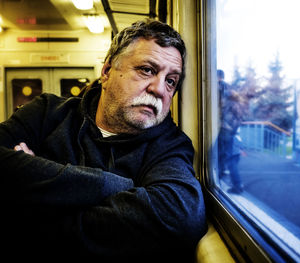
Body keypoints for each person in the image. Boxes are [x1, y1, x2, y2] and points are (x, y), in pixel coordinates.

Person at [0, 20, 207, 262]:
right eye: (147, 70)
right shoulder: (47, 112)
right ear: (107, 72)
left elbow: (181, 216)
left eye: (171, 81)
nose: (160, 90)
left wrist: (31, 205)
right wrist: (115, 186)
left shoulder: (169, 144)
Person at [217, 69, 244, 193]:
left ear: (218, 77)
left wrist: (222, 122)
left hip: (225, 129)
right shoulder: (233, 94)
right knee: (229, 156)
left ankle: (237, 185)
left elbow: (221, 110)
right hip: (233, 130)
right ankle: (224, 176)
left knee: (228, 157)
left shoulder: (221, 89)